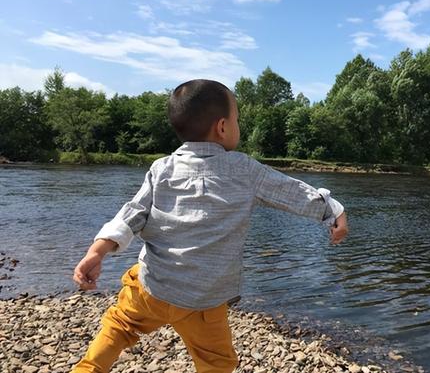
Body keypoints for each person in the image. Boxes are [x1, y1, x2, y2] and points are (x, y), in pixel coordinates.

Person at [71, 79, 348, 373]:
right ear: (223, 127)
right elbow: (291, 192)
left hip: (151, 287)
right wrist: (333, 211)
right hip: (203, 303)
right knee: (217, 363)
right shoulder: (244, 169)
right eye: (238, 119)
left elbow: (132, 214)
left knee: (120, 326)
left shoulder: (161, 168)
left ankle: (86, 370)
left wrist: (98, 251)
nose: (238, 126)